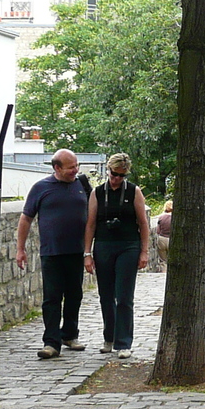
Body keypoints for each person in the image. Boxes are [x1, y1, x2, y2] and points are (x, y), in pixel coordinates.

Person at [16, 149, 91, 359]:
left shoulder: (82, 185)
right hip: (52, 252)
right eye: (70, 167)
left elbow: (93, 215)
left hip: (77, 251)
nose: (75, 170)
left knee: (74, 295)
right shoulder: (41, 188)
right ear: (57, 168)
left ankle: (70, 334)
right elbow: (26, 219)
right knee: (52, 297)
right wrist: (20, 249)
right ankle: (51, 342)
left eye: (76, 165)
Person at [83, 153, 150, 358]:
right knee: (106, 295)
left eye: (121, 176)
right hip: (103, 245)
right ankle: (109, 337)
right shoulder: (97, 192)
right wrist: (87, 253)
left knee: (124, 296)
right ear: (108, 171)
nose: (116, 179)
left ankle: (123, 342)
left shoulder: (133, 191)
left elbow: (143, 223)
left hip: (128, 246)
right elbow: (91, 223)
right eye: (113, 174)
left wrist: (144, 251)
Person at [152, 200, 173, 272]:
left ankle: (164, 274)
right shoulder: (176, 218)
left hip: (162, 239)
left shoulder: (161, 217)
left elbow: (158, 231)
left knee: (163, 260)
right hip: (172, 239)